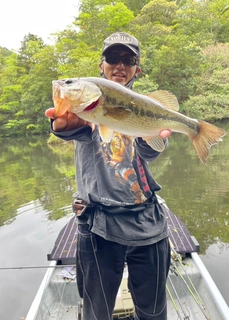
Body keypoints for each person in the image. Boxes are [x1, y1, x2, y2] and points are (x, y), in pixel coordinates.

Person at [45, 32, 171, 320]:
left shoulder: (149, 108)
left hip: (147, 223)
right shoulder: (88, 105)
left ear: (137, 69)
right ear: (101, 65)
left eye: (128, 60)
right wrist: (60, 126)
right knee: (96, 313)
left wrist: (154, 135)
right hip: (98, 224)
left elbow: (150, 152)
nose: (120, 65)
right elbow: (70, 126)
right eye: (113, 58)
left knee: (154, 313)